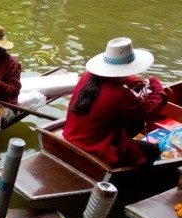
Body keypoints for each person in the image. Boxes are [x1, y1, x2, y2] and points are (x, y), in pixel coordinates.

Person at [63, 37, 168, 167]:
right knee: (153, 150)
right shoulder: (120, 95)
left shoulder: (87, 76)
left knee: (130, 127)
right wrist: (157, 87)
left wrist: (133, 81)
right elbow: (150, 110)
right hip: (96, 148)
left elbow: (112, 78)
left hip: (72, 136)